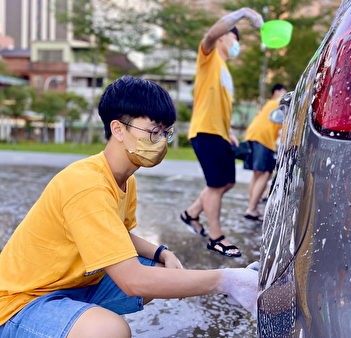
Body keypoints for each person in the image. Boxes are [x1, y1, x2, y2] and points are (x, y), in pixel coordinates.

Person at [0, 76, 258, 338]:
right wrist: (227, 281)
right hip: (21, 302)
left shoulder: (124, 179)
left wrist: (162, 253)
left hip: (73, 285)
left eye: (165, 132)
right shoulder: (87, 184)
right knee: (109, 330)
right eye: (152, 132)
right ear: (118, 129)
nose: (160, 142)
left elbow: (117, 233)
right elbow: (132, 280)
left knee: (159, 272)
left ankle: (72, 320)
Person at [180, 8, 264, 258]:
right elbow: (209, 35)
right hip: (205, 132)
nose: (237, 45)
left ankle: (192, 213)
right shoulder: (209, 58)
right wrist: (243, 13)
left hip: (219, 133)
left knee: (226, 182)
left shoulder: (225, 71)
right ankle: (216, 237)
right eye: (235, 39)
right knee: (216, 185)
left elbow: (221, 108)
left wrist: (229, 133)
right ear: (224, 37)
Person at [243, 83, 287, 222]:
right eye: (284, 92)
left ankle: (252, 207)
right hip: (264, 138)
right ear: (277, 92)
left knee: (257, 174)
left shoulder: (269, 104)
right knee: (265, 173)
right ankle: (251, 209)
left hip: (253, 135)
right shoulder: (279, 102)